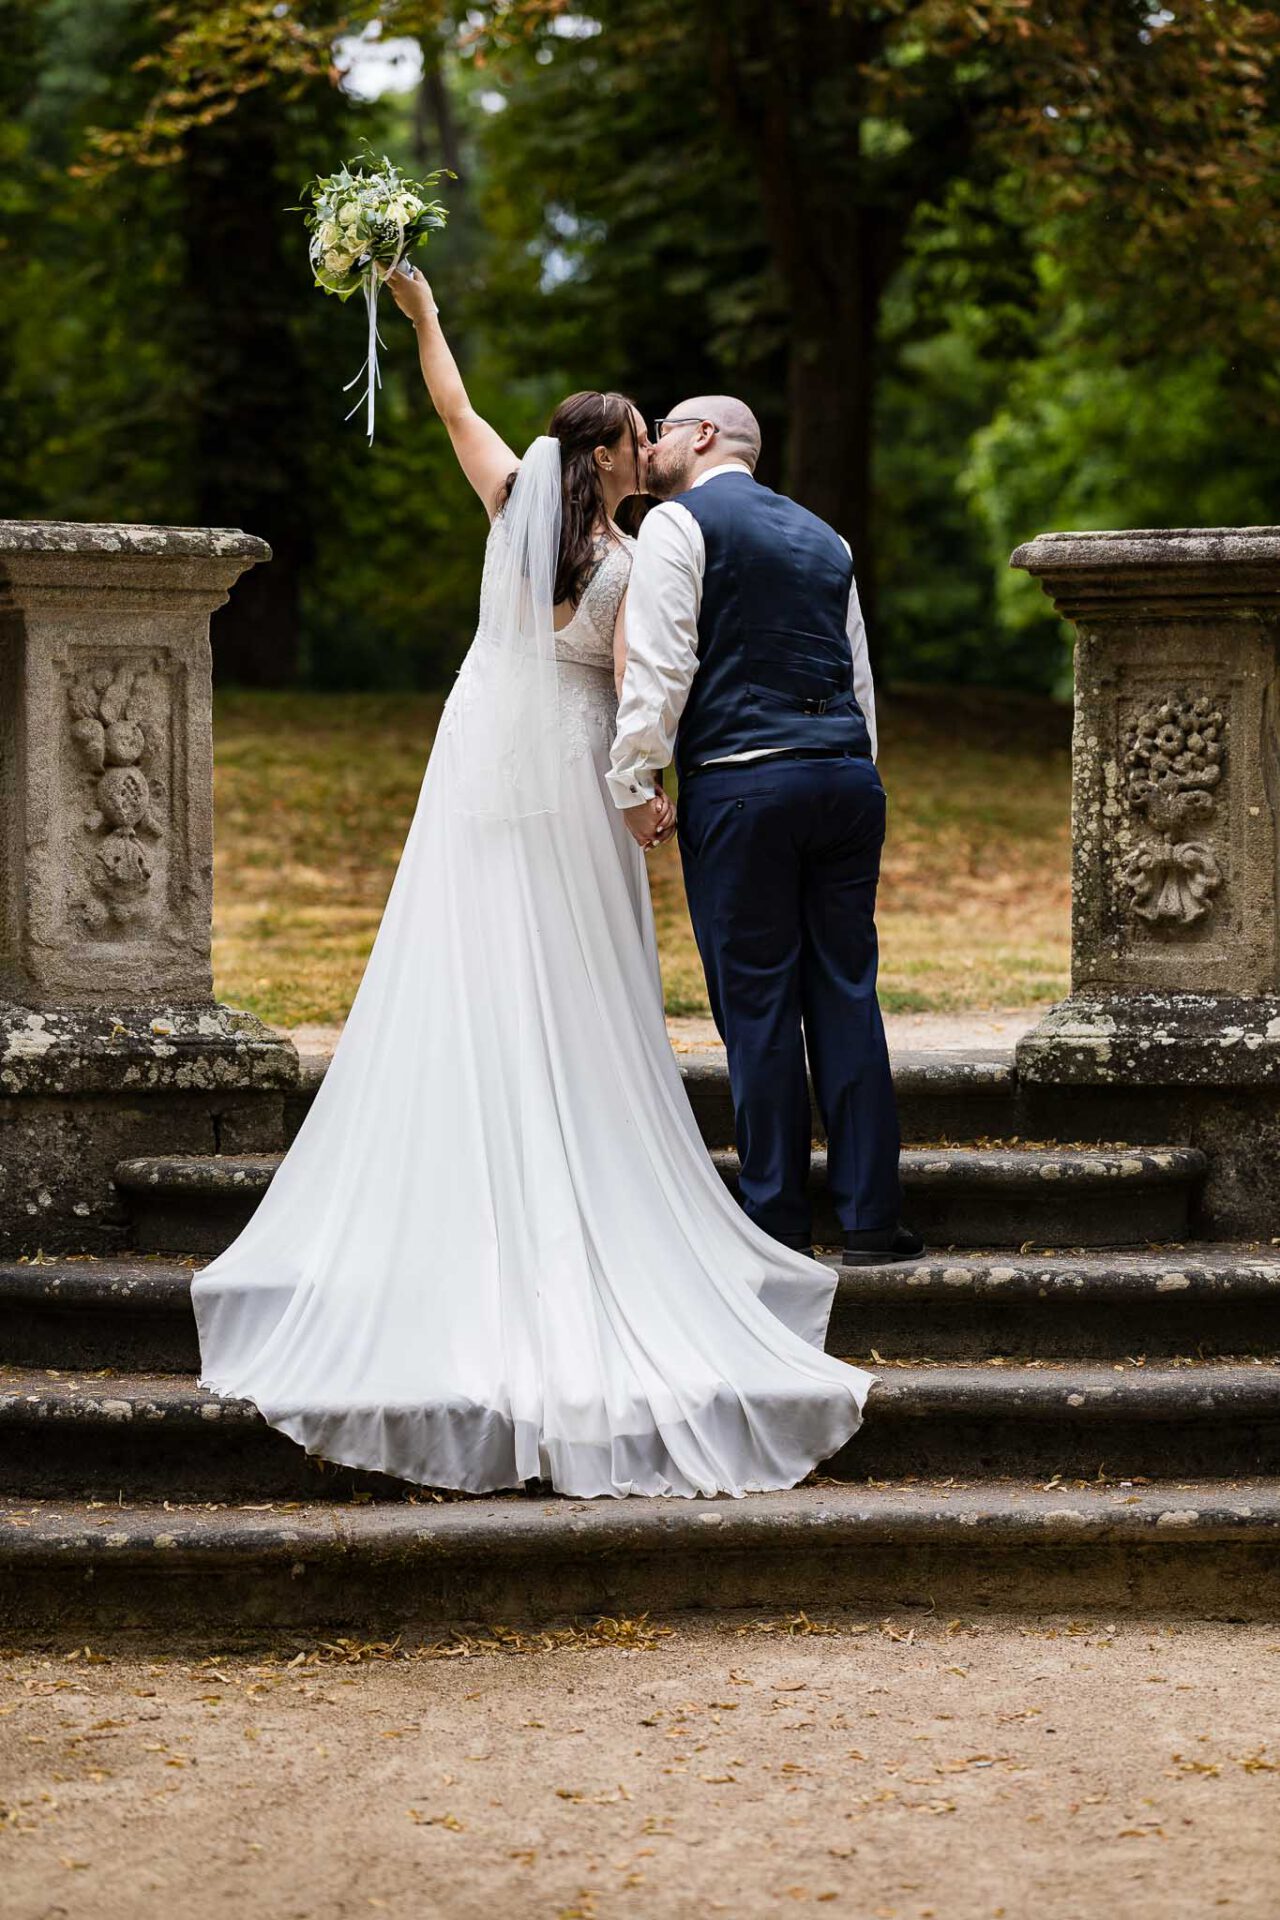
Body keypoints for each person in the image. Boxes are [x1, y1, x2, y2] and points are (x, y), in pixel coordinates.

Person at [191, 270, 873, 1500]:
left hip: (485, 763)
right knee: (579, 969)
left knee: (479, 945)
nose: (648, 453)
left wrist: (423, 318)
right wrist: (646, 791)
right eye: (637, 440)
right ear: (609, 457)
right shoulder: (634, 554)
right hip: (575, 771)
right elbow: (643, 682)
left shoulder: (513, 502)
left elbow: (452, 406)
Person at [609, 397, 922, 1267]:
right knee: (847, 994)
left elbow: (664, 662)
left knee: (758, 1005)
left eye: (665, 428)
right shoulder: (829, 539)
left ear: (703, 436)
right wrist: (858, 773)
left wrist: (634, 777)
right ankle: (871, 1219)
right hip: (844, 781)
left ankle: (777, 1219)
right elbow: (857, 676)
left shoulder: (678, 524)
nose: (653, 443)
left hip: (744, 784)